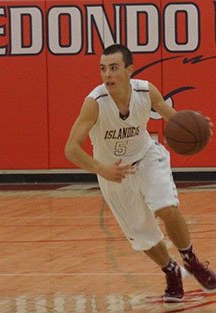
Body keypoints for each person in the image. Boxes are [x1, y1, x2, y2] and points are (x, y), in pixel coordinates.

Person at [65, 44, 216, 302]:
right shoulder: (95, 103)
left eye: (114, 68)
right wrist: (103, 169)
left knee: (166, 207)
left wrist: (198, 127)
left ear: (129, 70)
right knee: (143, 236)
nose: (107, 75)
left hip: (146, 157)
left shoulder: (145, 91)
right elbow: (71, 149)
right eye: (103, 69)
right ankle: (171, 271)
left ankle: (191, 260)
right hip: (114, 172)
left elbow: (174, 118)